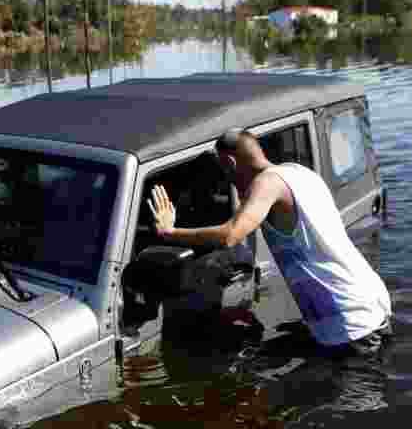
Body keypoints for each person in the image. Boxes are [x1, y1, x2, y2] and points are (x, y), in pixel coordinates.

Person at [147, 127, 393, 360]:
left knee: (355, 401)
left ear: (231, 164)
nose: (228, 183)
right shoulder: (298, 172)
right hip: (369, 299)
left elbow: (230, 235)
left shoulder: (267, 185)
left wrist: (170, 232)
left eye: (226, 173)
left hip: (348, 323)